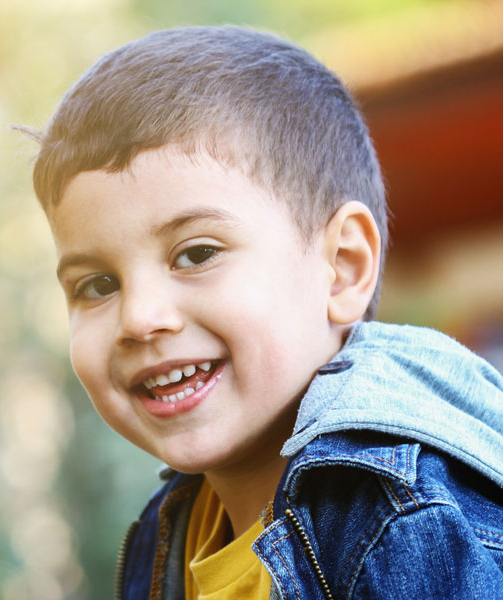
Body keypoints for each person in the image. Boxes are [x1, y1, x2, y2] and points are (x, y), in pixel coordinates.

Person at [25, 25, 503, 599]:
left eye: (196, 254)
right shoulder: (169, 531)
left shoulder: (393, 516)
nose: (139, 318)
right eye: (98, 284)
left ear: (343, 268)